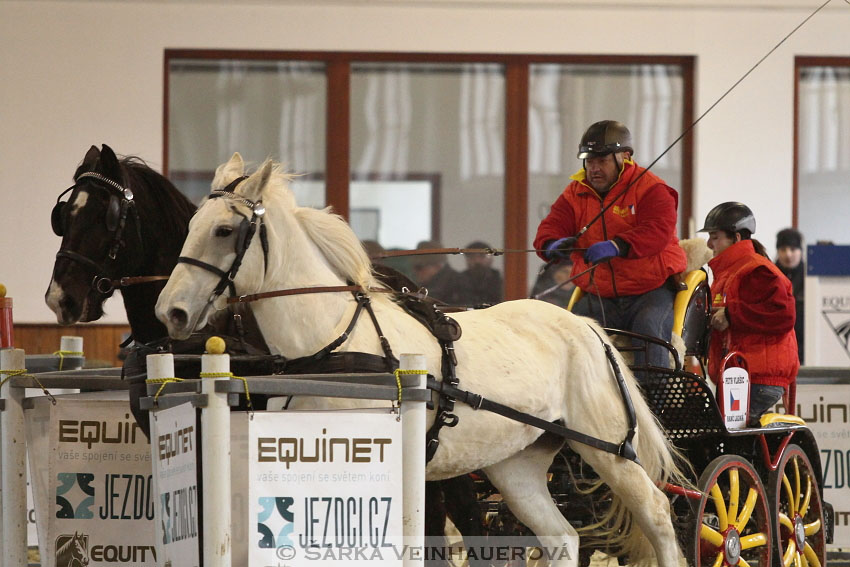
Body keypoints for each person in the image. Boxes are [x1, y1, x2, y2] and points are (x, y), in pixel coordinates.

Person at [533, 120, 687, 372]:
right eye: (590, 162)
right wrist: (552, 245)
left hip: (649, 290)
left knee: (650, 334)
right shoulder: (574, 193)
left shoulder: (652, 189)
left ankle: (656, 403)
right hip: (599, 294)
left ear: (624, 157)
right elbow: (551, 227)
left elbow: (657, 230)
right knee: (574, 337)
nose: (594, 168)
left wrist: (618, 246)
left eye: (602, 161)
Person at [700, 202, 799, 426]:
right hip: (740, 376)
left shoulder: (756, 270)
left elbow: (782, 314)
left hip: (756, 377)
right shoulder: (730, 273)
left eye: (715, 237)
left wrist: (732, 315)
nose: (709, 243)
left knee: (724, 435)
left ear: (735, 238)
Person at [775, 228, 805, 363]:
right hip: (778, 344)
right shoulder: (769, 275)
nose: (788, 255)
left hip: (804, 345)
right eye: (783, 250)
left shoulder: (811, 278)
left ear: (800, 251)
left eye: (793, 249)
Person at [411, 240, 465, 305]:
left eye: (419, 267)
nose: (415, 271)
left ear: (437, 266)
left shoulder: (459, 285)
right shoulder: (425, 285)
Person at [458, 240, 503, 306]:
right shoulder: (458, 280)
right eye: (472, 257)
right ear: (467, 260)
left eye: (482, 256)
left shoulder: (501, 280)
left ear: (491, 259)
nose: (477, 261)